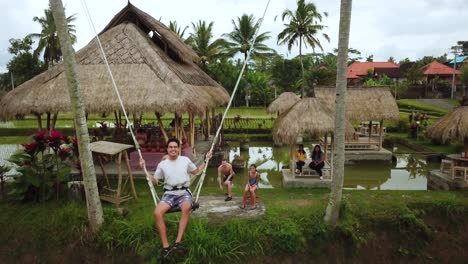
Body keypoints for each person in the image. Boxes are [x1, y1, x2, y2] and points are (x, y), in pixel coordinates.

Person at [140, 138, 212, 261]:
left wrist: (206, 160)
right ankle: (166, 246)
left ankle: (178, 242)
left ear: (178, 149)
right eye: (170, 147)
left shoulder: (185, 160)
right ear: (167, 149)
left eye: (175, 147)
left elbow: (196, 171)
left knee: (186, 206)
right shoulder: (162, 164)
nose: (173, 149)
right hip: (169, 194)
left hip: (184, 193)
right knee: (157, 213)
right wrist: (144, 169)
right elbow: (155, 181)